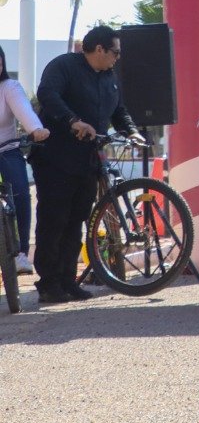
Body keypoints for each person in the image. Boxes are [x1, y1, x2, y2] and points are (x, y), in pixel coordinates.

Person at [33, 26, 140, 304]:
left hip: (88, 160)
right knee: (54, 219)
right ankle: (48, 283)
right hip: (55, 157)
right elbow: (47, 94)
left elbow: (119, 111)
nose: (118, 57)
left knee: (78, 220)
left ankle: (69, 280)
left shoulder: (109, 77)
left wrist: (132, 132)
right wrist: (72, 121)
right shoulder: (64, 66)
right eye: (115, 52)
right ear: (100, 49)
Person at [0, 47, 49, 275]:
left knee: (20, 190)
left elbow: (24, 110)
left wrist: (36, 129)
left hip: (7, 149)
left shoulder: (9, 88)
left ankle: (20, 254)